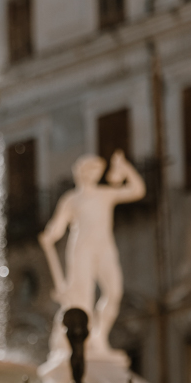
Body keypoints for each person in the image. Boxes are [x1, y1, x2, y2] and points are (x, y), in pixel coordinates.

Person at [39, 150, 145, 356]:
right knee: (82, 298)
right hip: (81, 249)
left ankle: (100, 336)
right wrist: (50, 235)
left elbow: (137, 190)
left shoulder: (105, 194)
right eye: (89, 169)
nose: (93, 174)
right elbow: (57, 228)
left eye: (97, 170)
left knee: (114, 292)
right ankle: (81, 342)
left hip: (104, 247)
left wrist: (125, 168)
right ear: (80, 172)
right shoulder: (71, 200)